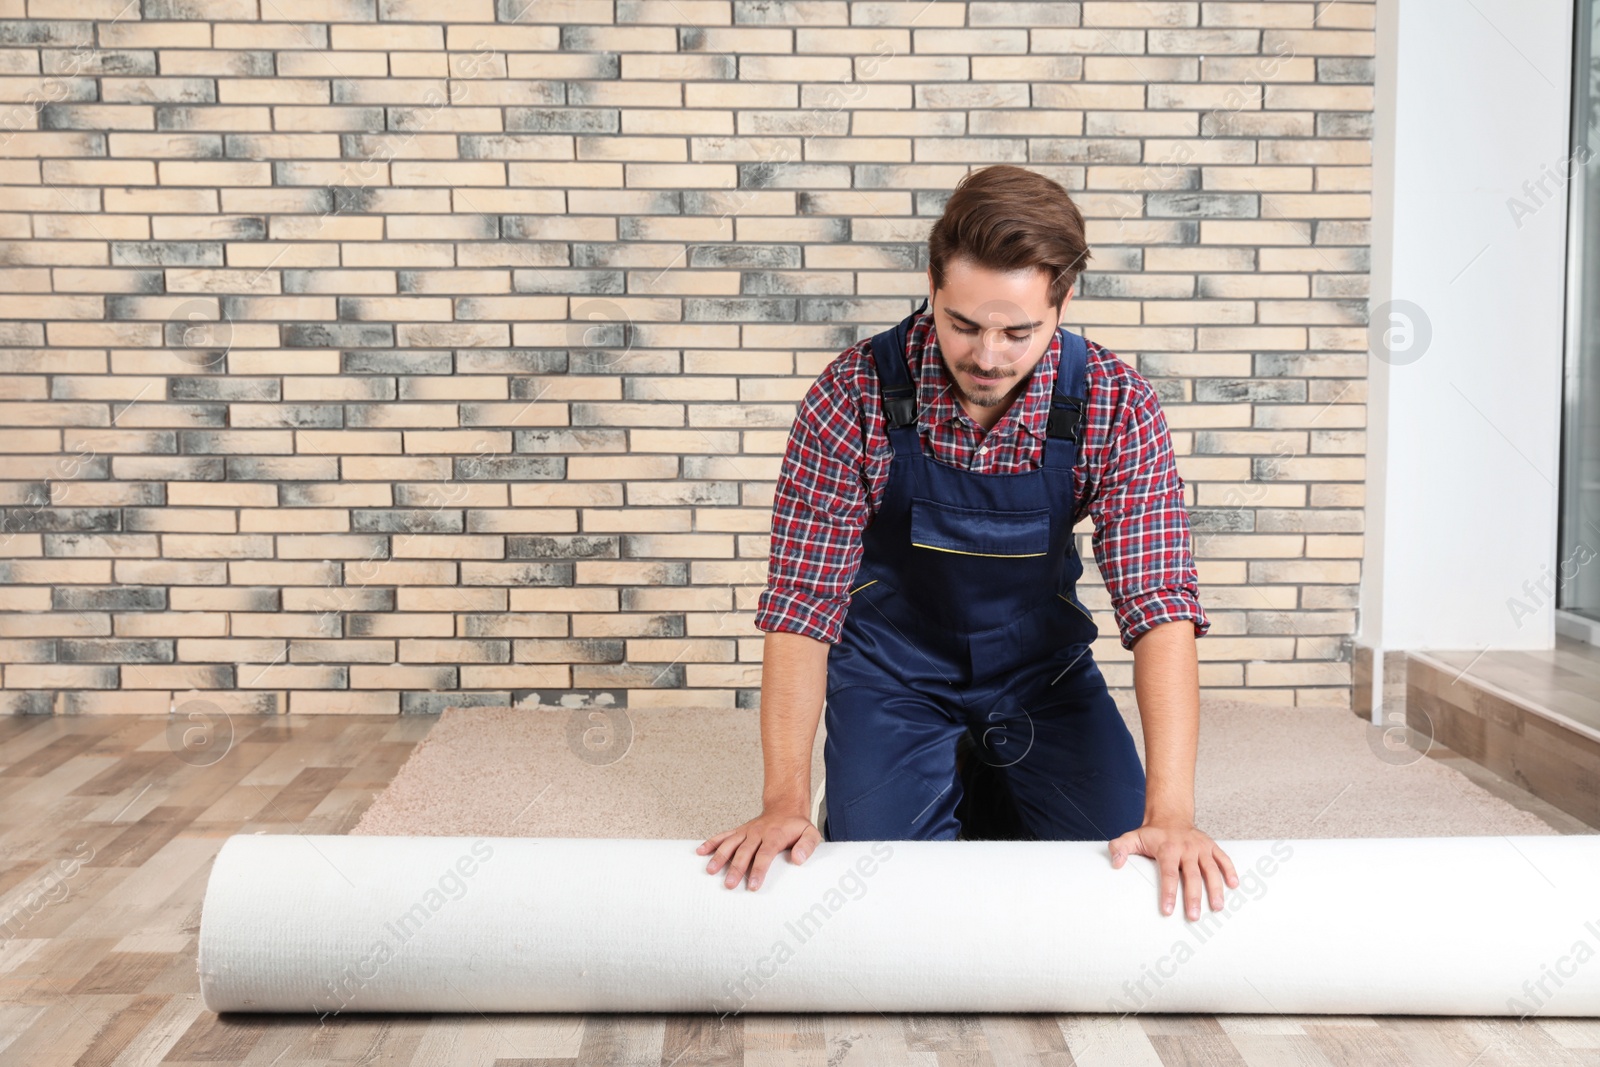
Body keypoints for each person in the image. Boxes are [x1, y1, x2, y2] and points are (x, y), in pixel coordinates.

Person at [696, 164, 1239, 921]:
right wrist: (782, 799)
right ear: (931, 284)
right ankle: (904, 773)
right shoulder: (849, 397)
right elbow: (802, 606)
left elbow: (1160, 609)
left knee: (1121, 868)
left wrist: (1173, 812)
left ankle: (983, 773)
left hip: (1039, 678)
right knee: (878, 897)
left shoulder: (1117, 406)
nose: (987, 355)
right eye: (962, 324)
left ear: (1064, 301)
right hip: (893, 676)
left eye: (1018, 331)